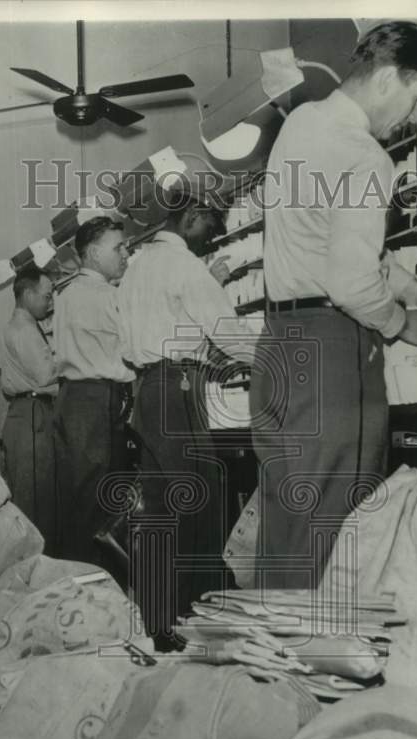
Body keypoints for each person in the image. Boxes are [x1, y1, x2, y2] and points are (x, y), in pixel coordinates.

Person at [251, 21, 417, 589]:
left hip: (281, 346)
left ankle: (266, 669)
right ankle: (315, 669)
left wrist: (401, 278)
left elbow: (321, 238)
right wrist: (400, 322)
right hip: (333, 355)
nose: (413, 117)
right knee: (334, 530)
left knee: (289, 524)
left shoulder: (299, 125)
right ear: (389, 78)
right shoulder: (367, 156)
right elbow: (348, 284)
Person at [118, 190, 251, 645]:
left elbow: (158, 337)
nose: (209, 237)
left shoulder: (136, 267)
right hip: (177, 390)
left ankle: (160, 618)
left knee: (161, 510)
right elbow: (228, 333)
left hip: (151, 390)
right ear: (192, 216)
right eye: (210, 226)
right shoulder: (184, 266)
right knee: (199, 500)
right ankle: (194, 616)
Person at [52, 217, 135, 567]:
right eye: (119, 247)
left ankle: (77, 579)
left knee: (79, 495)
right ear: (94, 253)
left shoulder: (66, 294)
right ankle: (99, 581)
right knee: (102, 501)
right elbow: (132, 350)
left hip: (71, 398)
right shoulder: (108, 295)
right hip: (99, 400)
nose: (126, 253)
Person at [0, 267, 58, 547]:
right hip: (33, 414)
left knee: (32, 495)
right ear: (27, 294)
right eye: (46, 296)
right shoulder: (24, 329)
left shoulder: (24, 326)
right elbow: (46, 374)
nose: (51, 302)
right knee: (35, 499)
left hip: (26, 413)